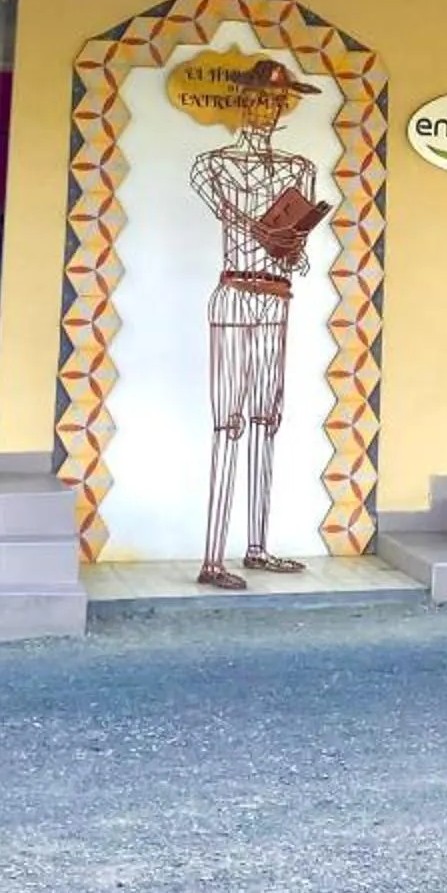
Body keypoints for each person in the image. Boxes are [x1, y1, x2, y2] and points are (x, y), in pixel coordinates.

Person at [185, 55, 330, 591]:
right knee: (229, 421)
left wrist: (292, 244)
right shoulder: (212, 164)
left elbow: (300, 258)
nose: (267, 109)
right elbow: (229, 217)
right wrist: (264, 233)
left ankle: (255, 545)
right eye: (260, 98)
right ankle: (211, 556)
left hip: (276, 295)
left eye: (276, 101)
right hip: (234, 293)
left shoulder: (298, 171)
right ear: (242, 101)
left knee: (268, 419)